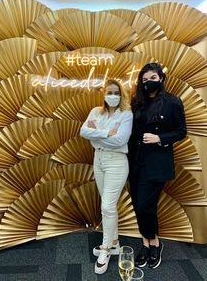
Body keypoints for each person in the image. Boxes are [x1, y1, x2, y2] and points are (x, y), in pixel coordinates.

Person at [128, 63, 187, 269]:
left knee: (146, 205)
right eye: (144, 80)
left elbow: (181, 131)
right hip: (135, 161)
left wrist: (159, 137)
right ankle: (146, 243)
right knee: (138, 205)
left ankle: (156, 243)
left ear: (161, 79)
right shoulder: (138, 103)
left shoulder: (172, 102)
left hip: (156, 163)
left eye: (152, 78)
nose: (148, 83)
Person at [80, 79, 133, 274]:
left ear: (121, 95)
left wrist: (97, 134)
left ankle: (105, 249)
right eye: (109, 92)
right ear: (104, 94)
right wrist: (105, 133)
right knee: (108, 206)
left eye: (116, 92)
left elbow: (121, 139)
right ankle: (116, 243)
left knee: (107, 206)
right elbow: (83, 131)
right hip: (98, 160)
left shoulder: (126, 114)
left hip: (117, 162)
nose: (113, 96)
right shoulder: (96, 112)